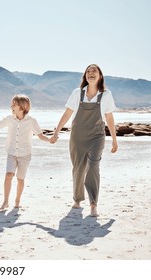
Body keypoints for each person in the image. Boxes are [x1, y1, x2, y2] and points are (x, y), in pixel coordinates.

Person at [50, 64, 118, 217]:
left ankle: (93, 203)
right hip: (77, 137)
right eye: (88, 71)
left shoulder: (106, 95)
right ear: (85, 76)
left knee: (93, 167)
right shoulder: (77, 93)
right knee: (78, 168)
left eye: (94, 71)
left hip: (97, 136)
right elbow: (68, 113)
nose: (91, 73)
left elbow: (109, 117)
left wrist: (114, 139)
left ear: (100, 76)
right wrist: (56, 132)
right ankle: (77, 199)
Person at [0, 94, 51, 210]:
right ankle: (6, 201)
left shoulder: (32, 121)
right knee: (8, 175)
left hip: (25, 154)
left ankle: (17, 200)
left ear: (22, 106)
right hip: (11, 153)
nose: (11, 106)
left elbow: (40, 135)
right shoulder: (9, 119)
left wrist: (50, 140)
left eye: (14, 104)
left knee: (20, 179)